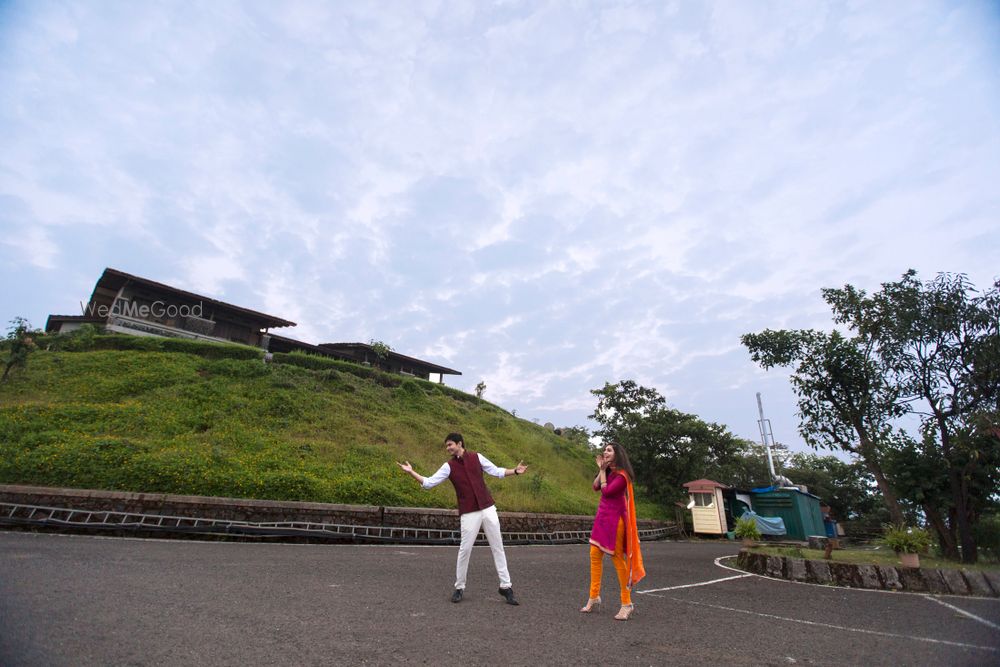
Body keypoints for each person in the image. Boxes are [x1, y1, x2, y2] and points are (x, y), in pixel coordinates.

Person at [397, 432, 528, 605]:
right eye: (447, 446)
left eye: (450, 444)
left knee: (498, 547)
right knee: (465, 550)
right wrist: (411, 472)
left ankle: (506, 587)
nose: (448, 448)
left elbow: (496, 471)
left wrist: (515, 471)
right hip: (469, 512)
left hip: (488, 508)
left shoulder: (477, 457)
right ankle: (459, 587)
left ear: (460, 444)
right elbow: (428, 483)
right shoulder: (448, 466)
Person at [580, 441, 645, 620]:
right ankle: (594, 596)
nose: (605, 452)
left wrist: (602, 471)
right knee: (594, 554)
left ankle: (627, 603)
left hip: (616, 521)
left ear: (617, 454)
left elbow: (607, 492)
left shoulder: (623, 476)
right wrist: (602, 470)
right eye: (604, 450)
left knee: (617, 559)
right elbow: (595, 487)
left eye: (609, 450)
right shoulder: (609, 471)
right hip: (602, 518)